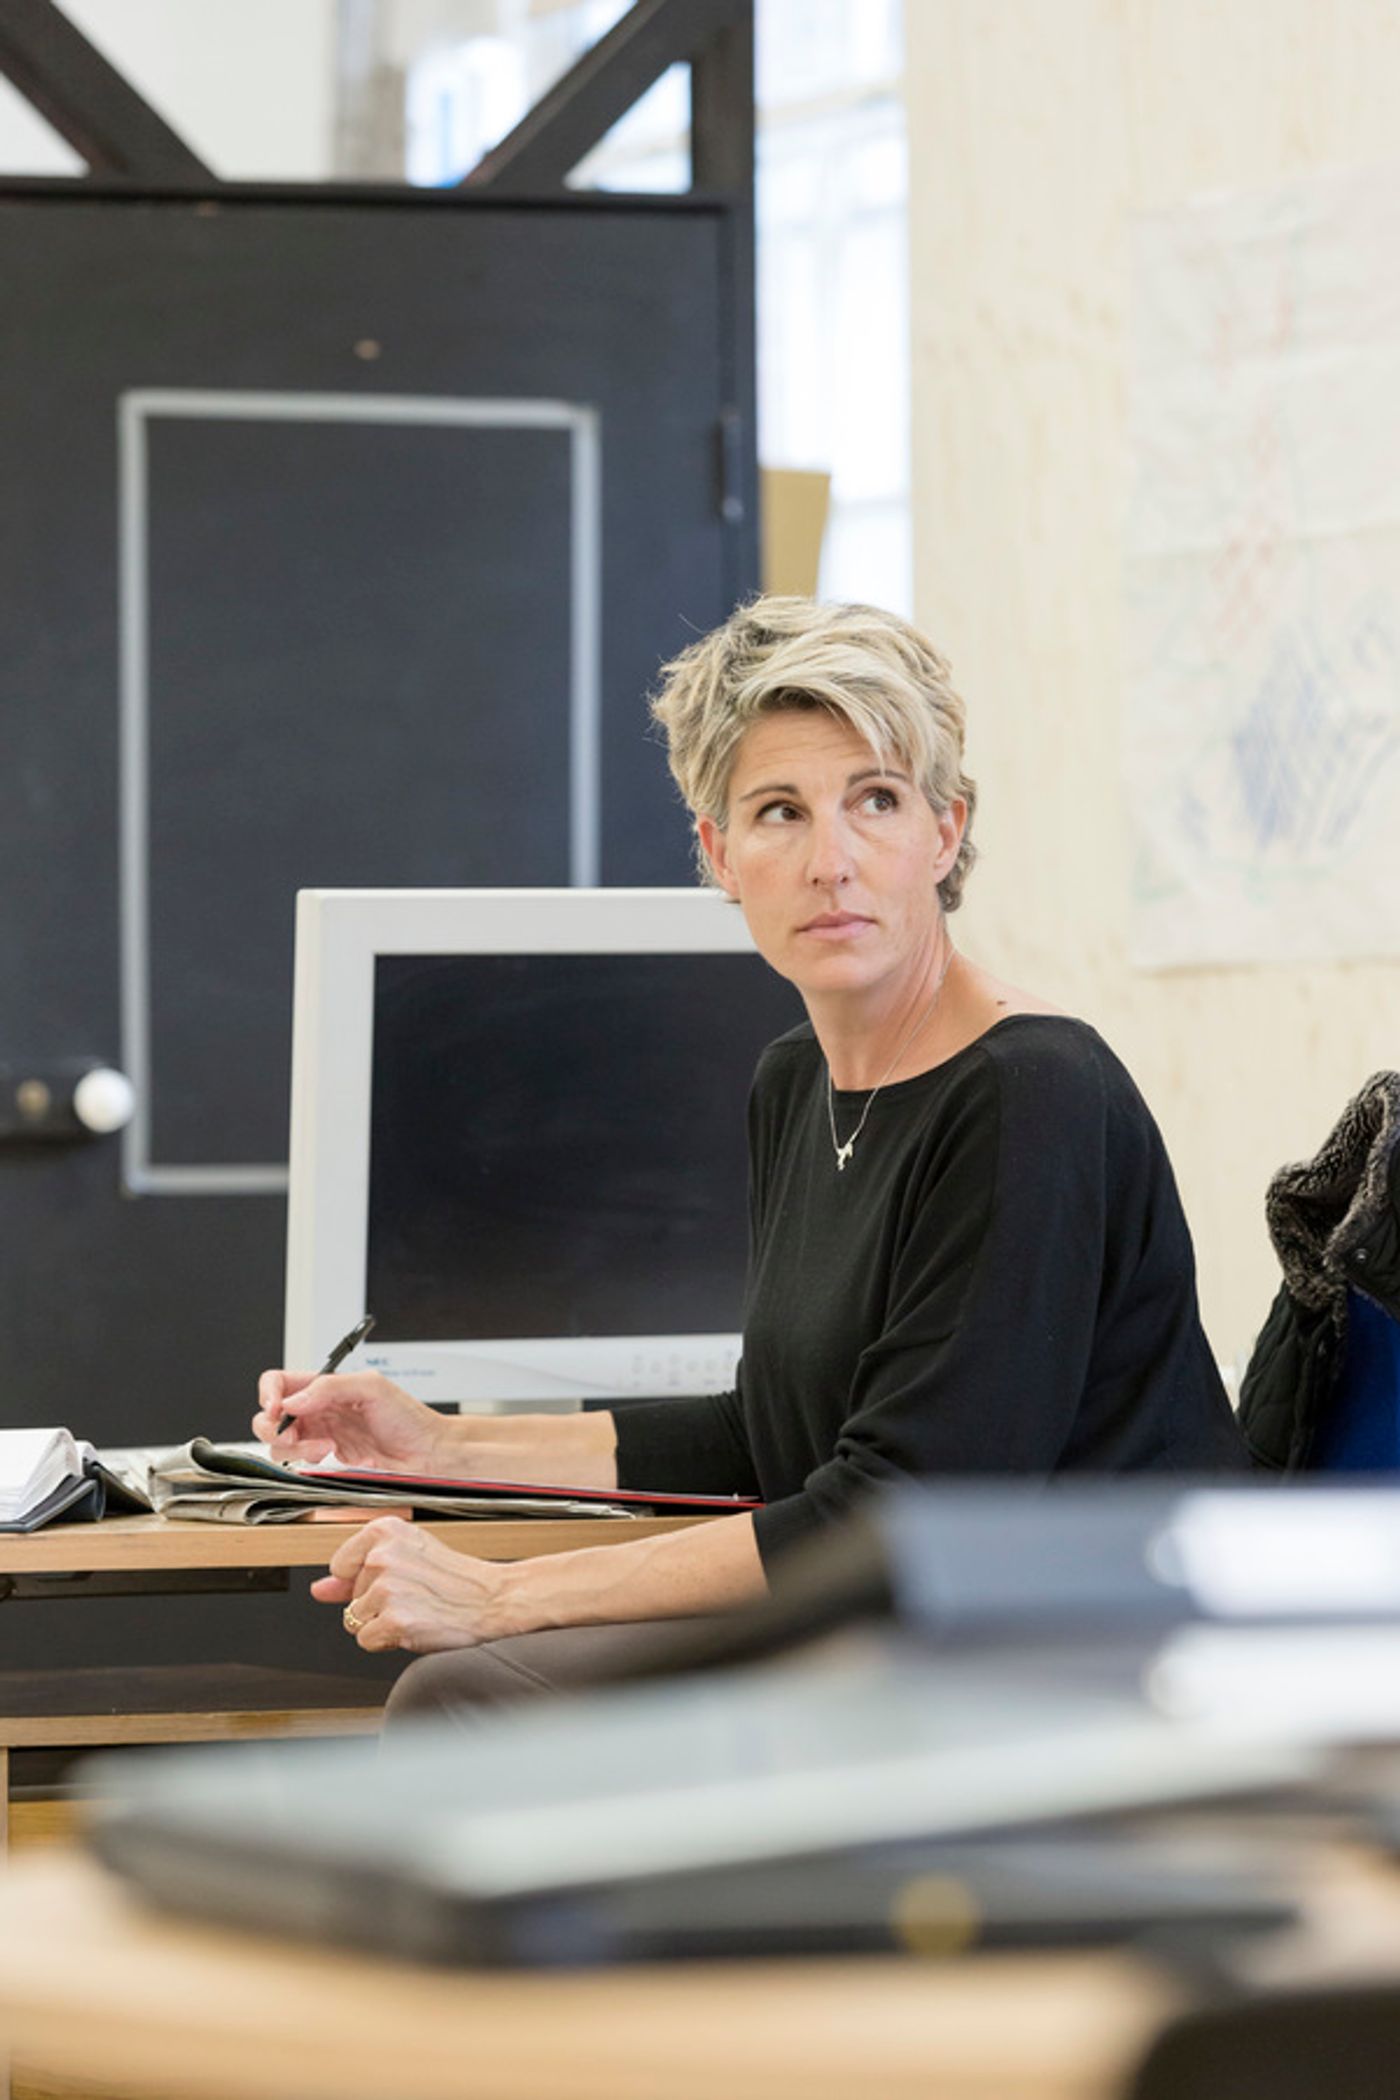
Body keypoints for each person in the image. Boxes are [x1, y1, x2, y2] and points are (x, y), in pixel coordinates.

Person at [253, 596, 1247, 1716]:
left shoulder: (1030, 1092)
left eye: (874, 800)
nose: (831, 860)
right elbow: (762, 1434)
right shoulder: (797, 1081)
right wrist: (437, 1446)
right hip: (902, 1621)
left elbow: (897, 1512)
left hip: (1074, 1659)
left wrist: (501, 1596)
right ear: (719, 856)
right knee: (468, 1694)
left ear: (944, 831)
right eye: (779, 812)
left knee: (470, 1695)